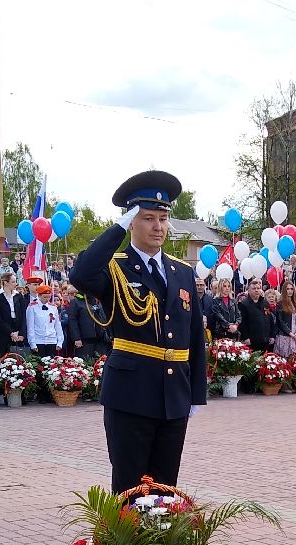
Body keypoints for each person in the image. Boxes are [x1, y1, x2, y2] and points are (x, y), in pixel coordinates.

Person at [69, 169, 206, 492]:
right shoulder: (114, 267)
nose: (157, 227)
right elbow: (81, 274)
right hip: (130, 396)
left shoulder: (182, 272)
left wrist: (196, 393)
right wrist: (116, 229)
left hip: (173, 397)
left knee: (165, 490)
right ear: (131, 221)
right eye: (147, 218)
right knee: (129, 487)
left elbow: (195, 338)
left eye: (162, 218)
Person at [27, 284, 63, 358]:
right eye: (45, 297)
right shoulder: (32, 307)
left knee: (52, 366)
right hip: (38, 340)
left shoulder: (53, 307)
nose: (47, 299)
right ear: (39, 296)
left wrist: (60, 342)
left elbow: (57, 325)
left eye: (49, 297)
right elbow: (30, 326)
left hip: (52, 340)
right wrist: (32, 343)